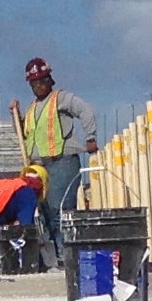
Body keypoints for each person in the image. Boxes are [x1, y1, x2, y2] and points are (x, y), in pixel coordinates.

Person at [8, 55, 95, 268]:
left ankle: (68, 257)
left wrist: (90, 136)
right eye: (34, 83)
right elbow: (27, 135)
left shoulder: (61, 99)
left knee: (61, 211)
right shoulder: (32, 109)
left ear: (49, 80)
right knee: (45, 213)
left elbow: (85, 110)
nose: (39, 86)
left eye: (42, 81)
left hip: (61, 162)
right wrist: (16, 117)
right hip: (40, 167)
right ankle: (55, 258)